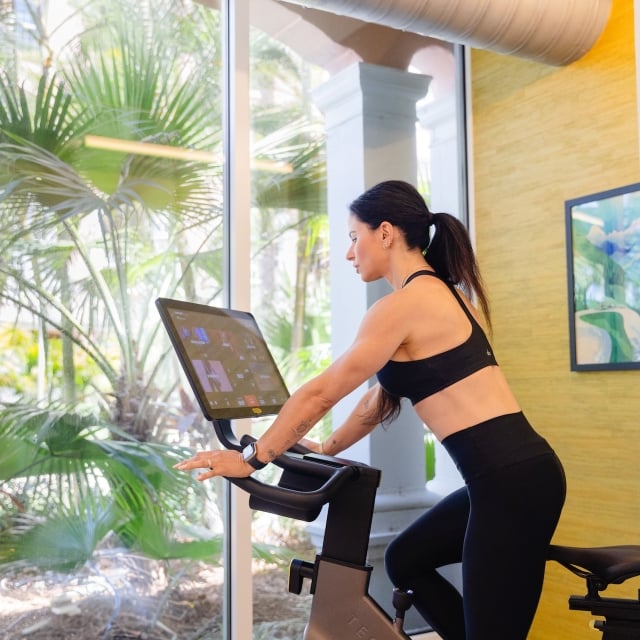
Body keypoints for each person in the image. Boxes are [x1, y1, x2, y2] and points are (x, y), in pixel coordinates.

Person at [174, 179, 566, 640]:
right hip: (518, 476)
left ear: (385, 233)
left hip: (509, 485)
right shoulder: (449, 297)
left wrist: (249, 457)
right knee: (405, 560)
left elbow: (322, 393)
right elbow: (381, 395)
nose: (348, 252)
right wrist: (325, 445)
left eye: (352, 237)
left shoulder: (402, 306)